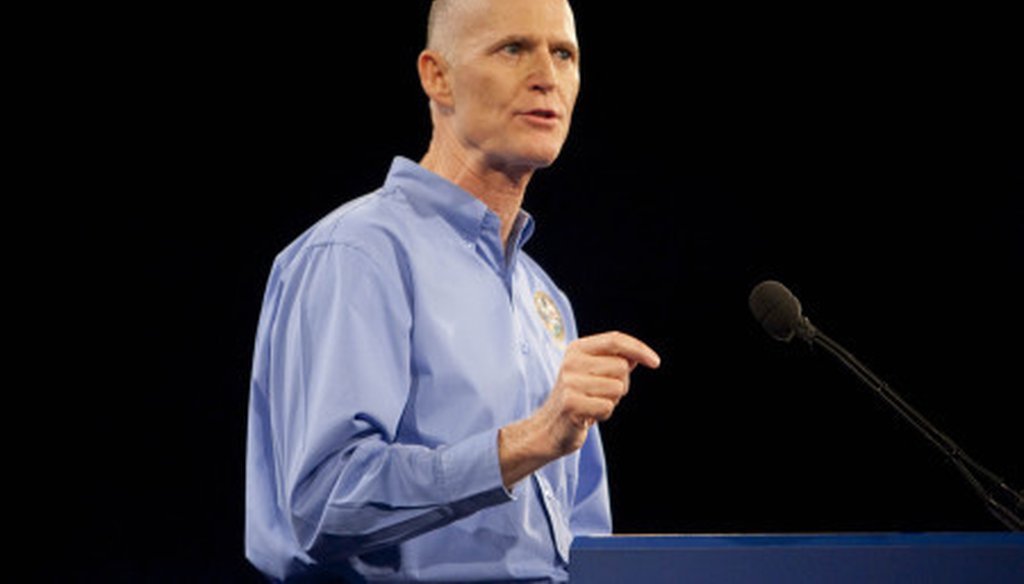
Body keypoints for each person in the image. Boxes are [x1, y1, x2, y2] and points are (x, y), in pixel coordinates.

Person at [245, 0, 661, 581]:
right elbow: (324, 503)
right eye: (513, 48)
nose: (547, 75)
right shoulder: (359, 255)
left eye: (564, 53)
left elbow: (580, 542)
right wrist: (531, 440)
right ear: (436, 76)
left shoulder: (546, 299)